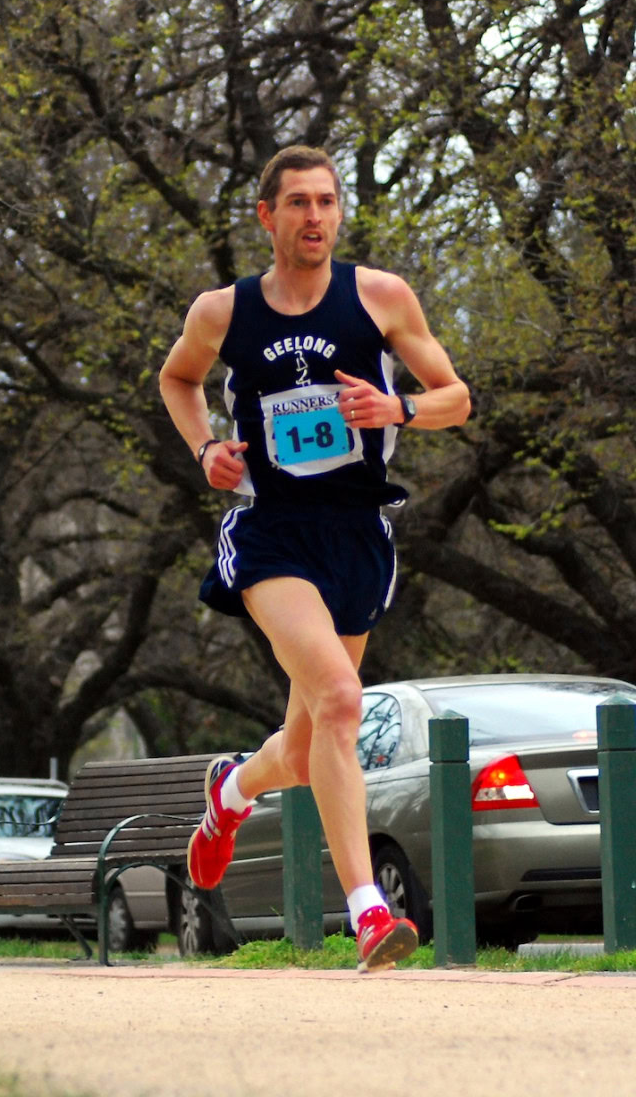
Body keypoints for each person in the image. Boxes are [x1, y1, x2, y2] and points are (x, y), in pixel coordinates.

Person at [158, 144, 471, 973]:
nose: (314, 218)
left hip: (357, 534)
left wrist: (395, 403)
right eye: (297, 203)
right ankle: (369, 912)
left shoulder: (379, 297)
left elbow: (456, 398)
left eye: (326, 202)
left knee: (303, 755)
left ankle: (230, 793)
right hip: (272, 531)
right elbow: (177, 380)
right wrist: (205, 454)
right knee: (339, 699)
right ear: (266, 216)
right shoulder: (223, 313)